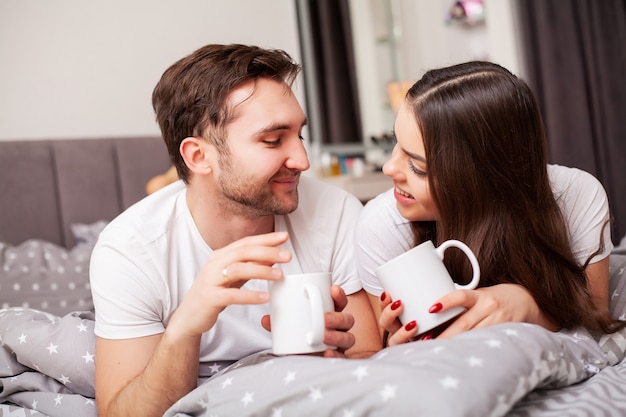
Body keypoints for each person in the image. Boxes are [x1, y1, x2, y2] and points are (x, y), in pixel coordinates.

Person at [90, 43, 381, 417]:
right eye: (273, 140)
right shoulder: (130, 250)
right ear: (198, 157)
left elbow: (370, 359)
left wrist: (334, 356)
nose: (302, 160)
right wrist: (185, 327)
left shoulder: (334, 213)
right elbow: (120, 413)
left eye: (299, 135)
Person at [356, 60, 624, 347]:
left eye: (418, 167)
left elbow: (596, 321)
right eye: (397, 144)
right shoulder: (383, 224)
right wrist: (397, 349)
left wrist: (531, 308)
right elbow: (387, 352)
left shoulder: (576, 194)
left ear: (483, 177)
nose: (388, 168)